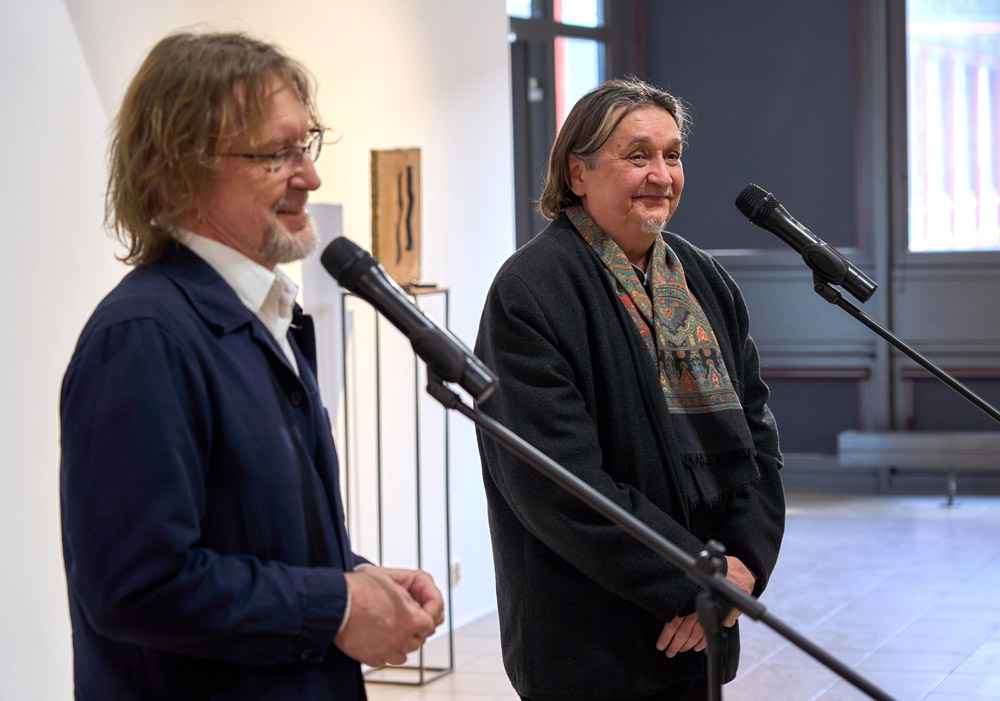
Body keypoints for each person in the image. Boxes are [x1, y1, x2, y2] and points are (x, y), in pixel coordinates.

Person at [59, 31, 444, 700]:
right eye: (277, 153)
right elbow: (137, 585)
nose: (310, 177)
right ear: (180, 170)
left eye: (307, 144)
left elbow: (257, 540)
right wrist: (338, 606)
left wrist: (358, 581)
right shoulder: (143, 338)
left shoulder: (266, 317)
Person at [475, 77, 785, 700]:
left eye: (672, 155)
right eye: (638, 156)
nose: (662, 176)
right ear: (578, 172)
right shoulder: (531, 290)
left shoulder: (704, 279)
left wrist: (743, 566)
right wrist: (696, 582)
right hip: (589, 638)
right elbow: (557, 484)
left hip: (702, 630)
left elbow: (758, 438)